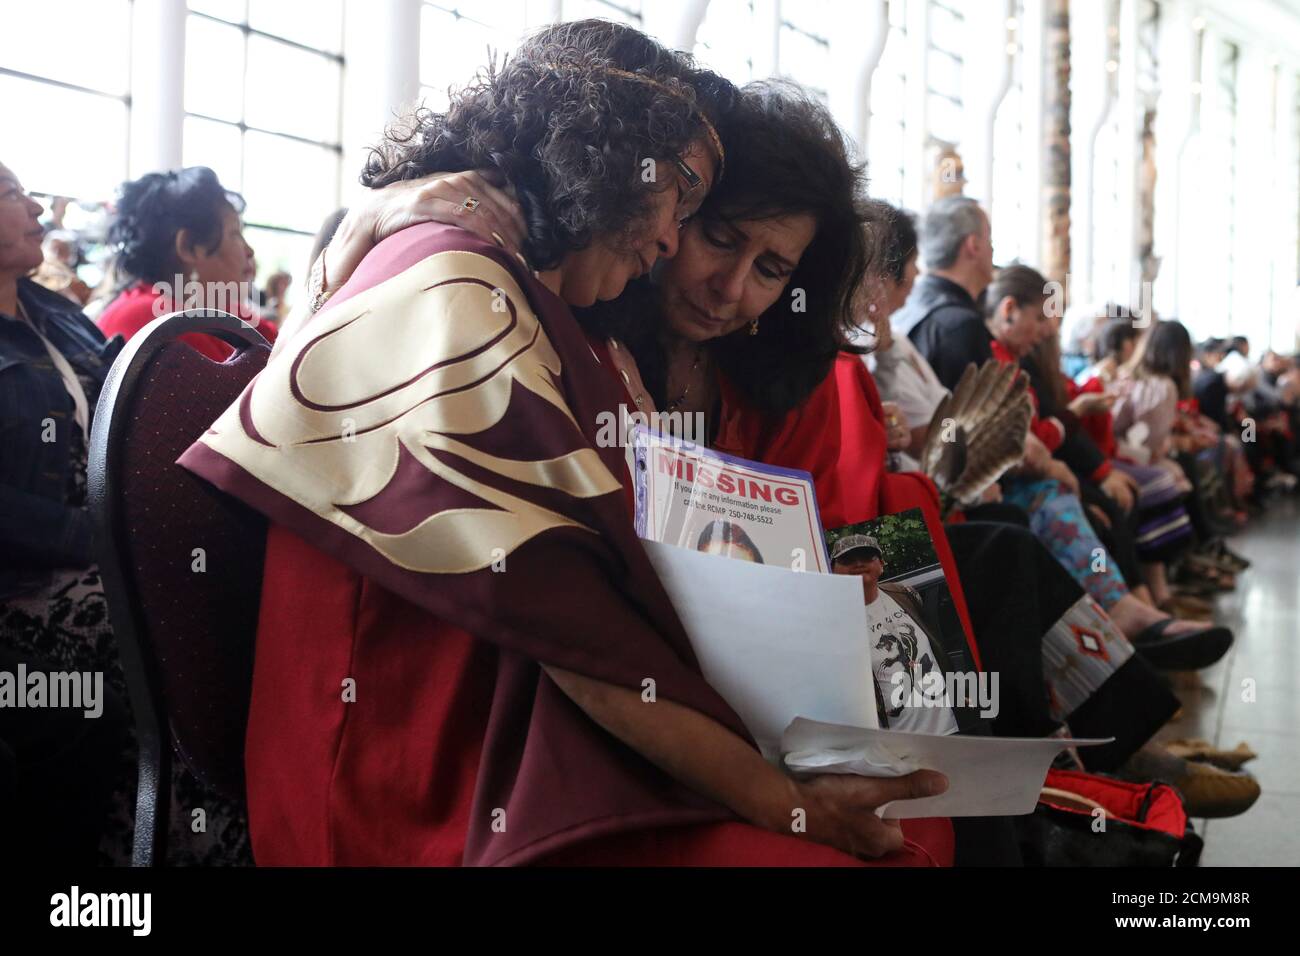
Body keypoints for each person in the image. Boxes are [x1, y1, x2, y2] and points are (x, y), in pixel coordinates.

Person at [180, 22, 951, 867]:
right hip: (414, 772)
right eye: (686, 204)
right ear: (604, 150)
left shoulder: (534, 300)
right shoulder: (457, 280)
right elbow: (576, 629)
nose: (669, 243)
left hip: (524, 723)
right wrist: (786, 803)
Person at [0, 159, 250, 864]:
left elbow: (144, 416)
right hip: (26, 579)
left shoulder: (59, 316)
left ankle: (201, 839)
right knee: (159, 623)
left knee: (213, 595)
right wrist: (97, 537)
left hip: (98, 558)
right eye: (15, 195)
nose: (40, 212)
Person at [96, 166, 273, 361]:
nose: (249, 251)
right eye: (235, 234)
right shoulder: (159, 322)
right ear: (188, 245)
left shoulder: (221, 310)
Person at [830, 534, 958, 735]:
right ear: (833, 571)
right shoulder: (832, 622)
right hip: (897, 742)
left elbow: (937, 643)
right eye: (847, 560)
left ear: (881, 564)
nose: (858, 564)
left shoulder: (904, 594)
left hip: (949, 726)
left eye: (866, 556)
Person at [890, 195, 996, 390]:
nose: (993, 249)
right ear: (974, 245)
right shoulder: (961, 326)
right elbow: (974, 420)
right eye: (989, 237)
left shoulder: (906, 304)